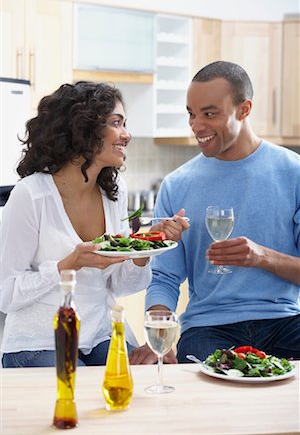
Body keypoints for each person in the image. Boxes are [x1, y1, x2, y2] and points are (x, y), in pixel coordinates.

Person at [0, 81, 188, 368]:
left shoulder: (112, 192)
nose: (127, 135)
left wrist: (146, 248)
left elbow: (119, 284)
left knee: (148, 374)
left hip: (100, 334)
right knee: (82, 388)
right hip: (39, 339)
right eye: (117, 123)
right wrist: (69, 264)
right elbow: (6, 293)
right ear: (83, 129)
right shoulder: (31, 195)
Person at [129, 61, 300, 365]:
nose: (196, 126)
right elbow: (165, 277)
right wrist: (160, 333)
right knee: (207, 390)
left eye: (209, 114)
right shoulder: (177, 185)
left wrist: (261, 257)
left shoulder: (293, 173)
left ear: (244, 109)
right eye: (191, 114)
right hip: (209, 327)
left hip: (285, 323)